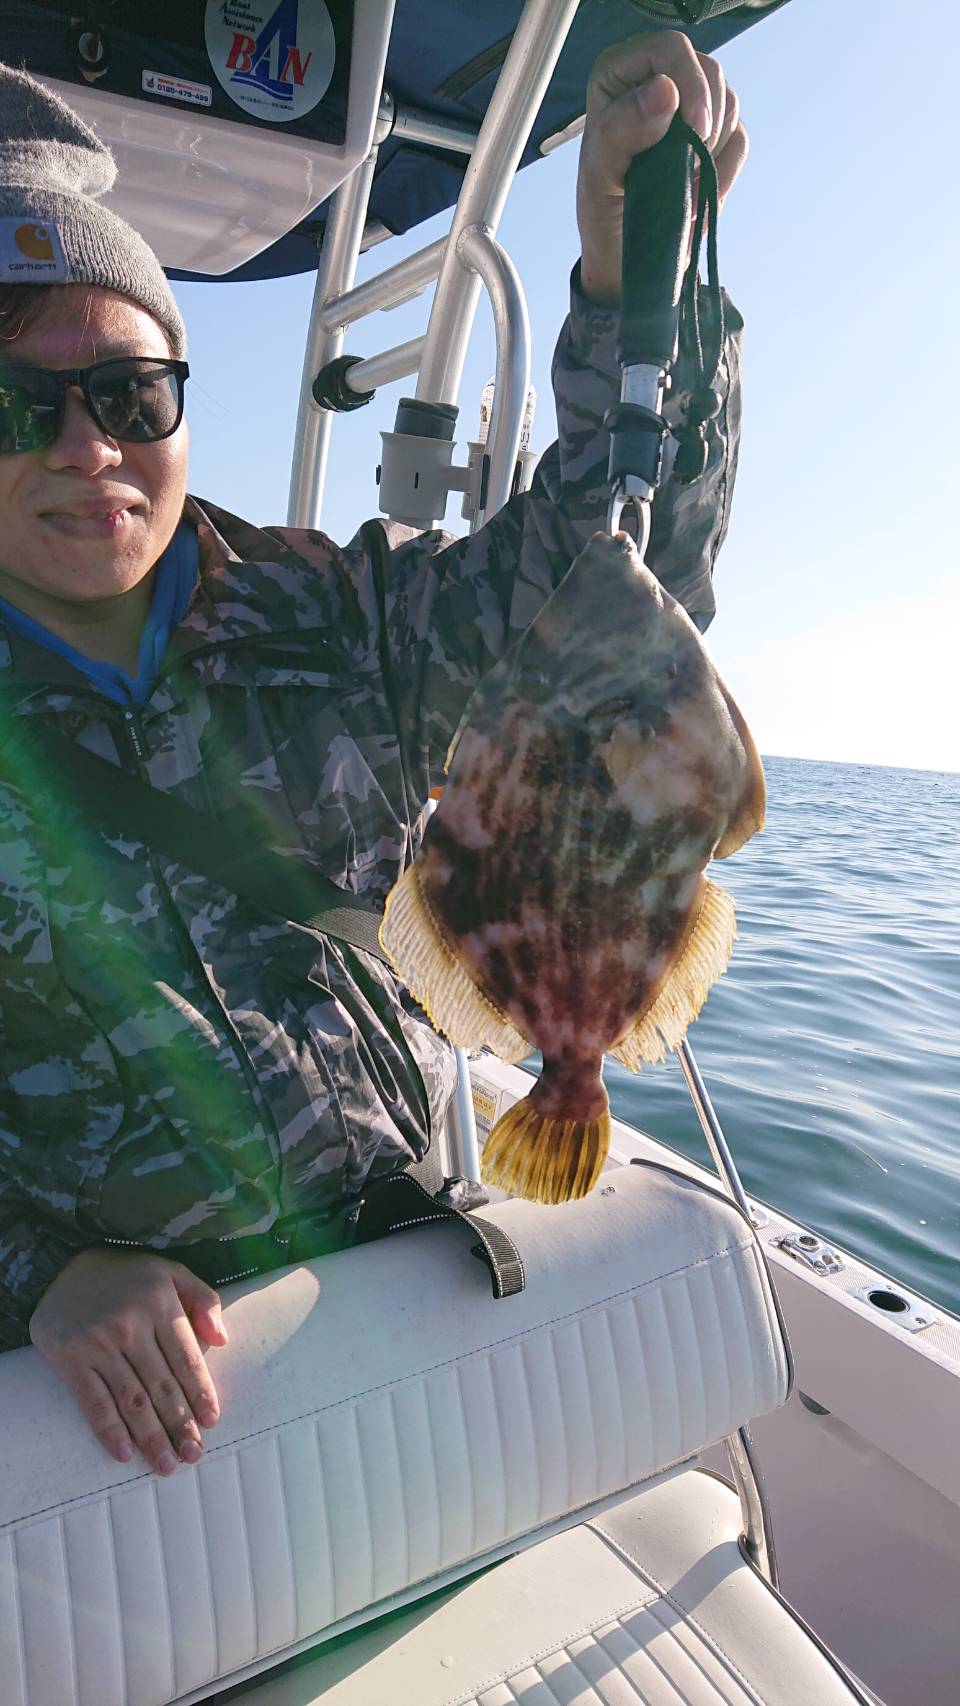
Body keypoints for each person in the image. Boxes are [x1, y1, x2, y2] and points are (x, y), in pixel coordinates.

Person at [0, 33, 748, 1475]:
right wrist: (38, 1272)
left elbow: (598, 569)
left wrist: (632, 282)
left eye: (130, 393)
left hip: (418, 1305)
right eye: (15, 407)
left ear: (179, 398)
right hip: (120, 1417)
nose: (86, 448)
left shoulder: (340, 613)